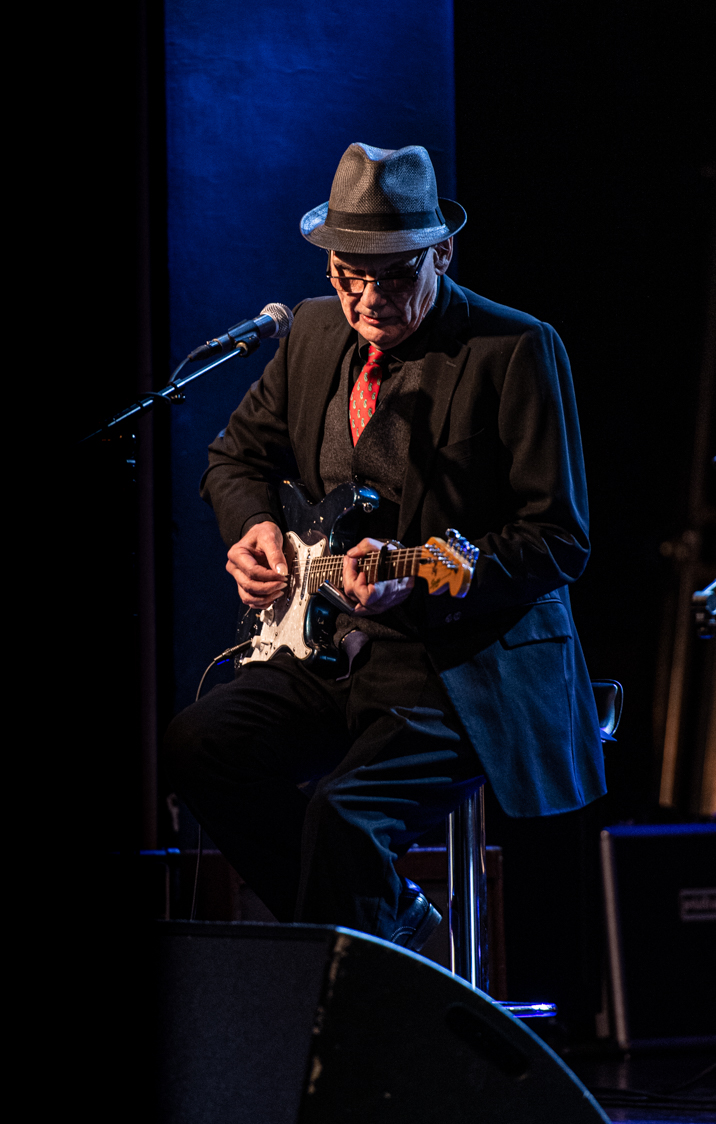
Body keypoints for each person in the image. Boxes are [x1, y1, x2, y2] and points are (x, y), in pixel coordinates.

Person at [164, 142, 606, 950]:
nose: (368, 299)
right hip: (329, 647)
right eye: (348, 275)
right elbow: (234, 457)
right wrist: (253, 528)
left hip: (458, 662)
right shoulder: (310, 332)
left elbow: (558, 538)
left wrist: (440, 578)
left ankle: (349, 985)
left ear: (442, 252)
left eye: (395, 276)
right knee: (198, 746)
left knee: (344, 817)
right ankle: (374, 916)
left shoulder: (515, 348)